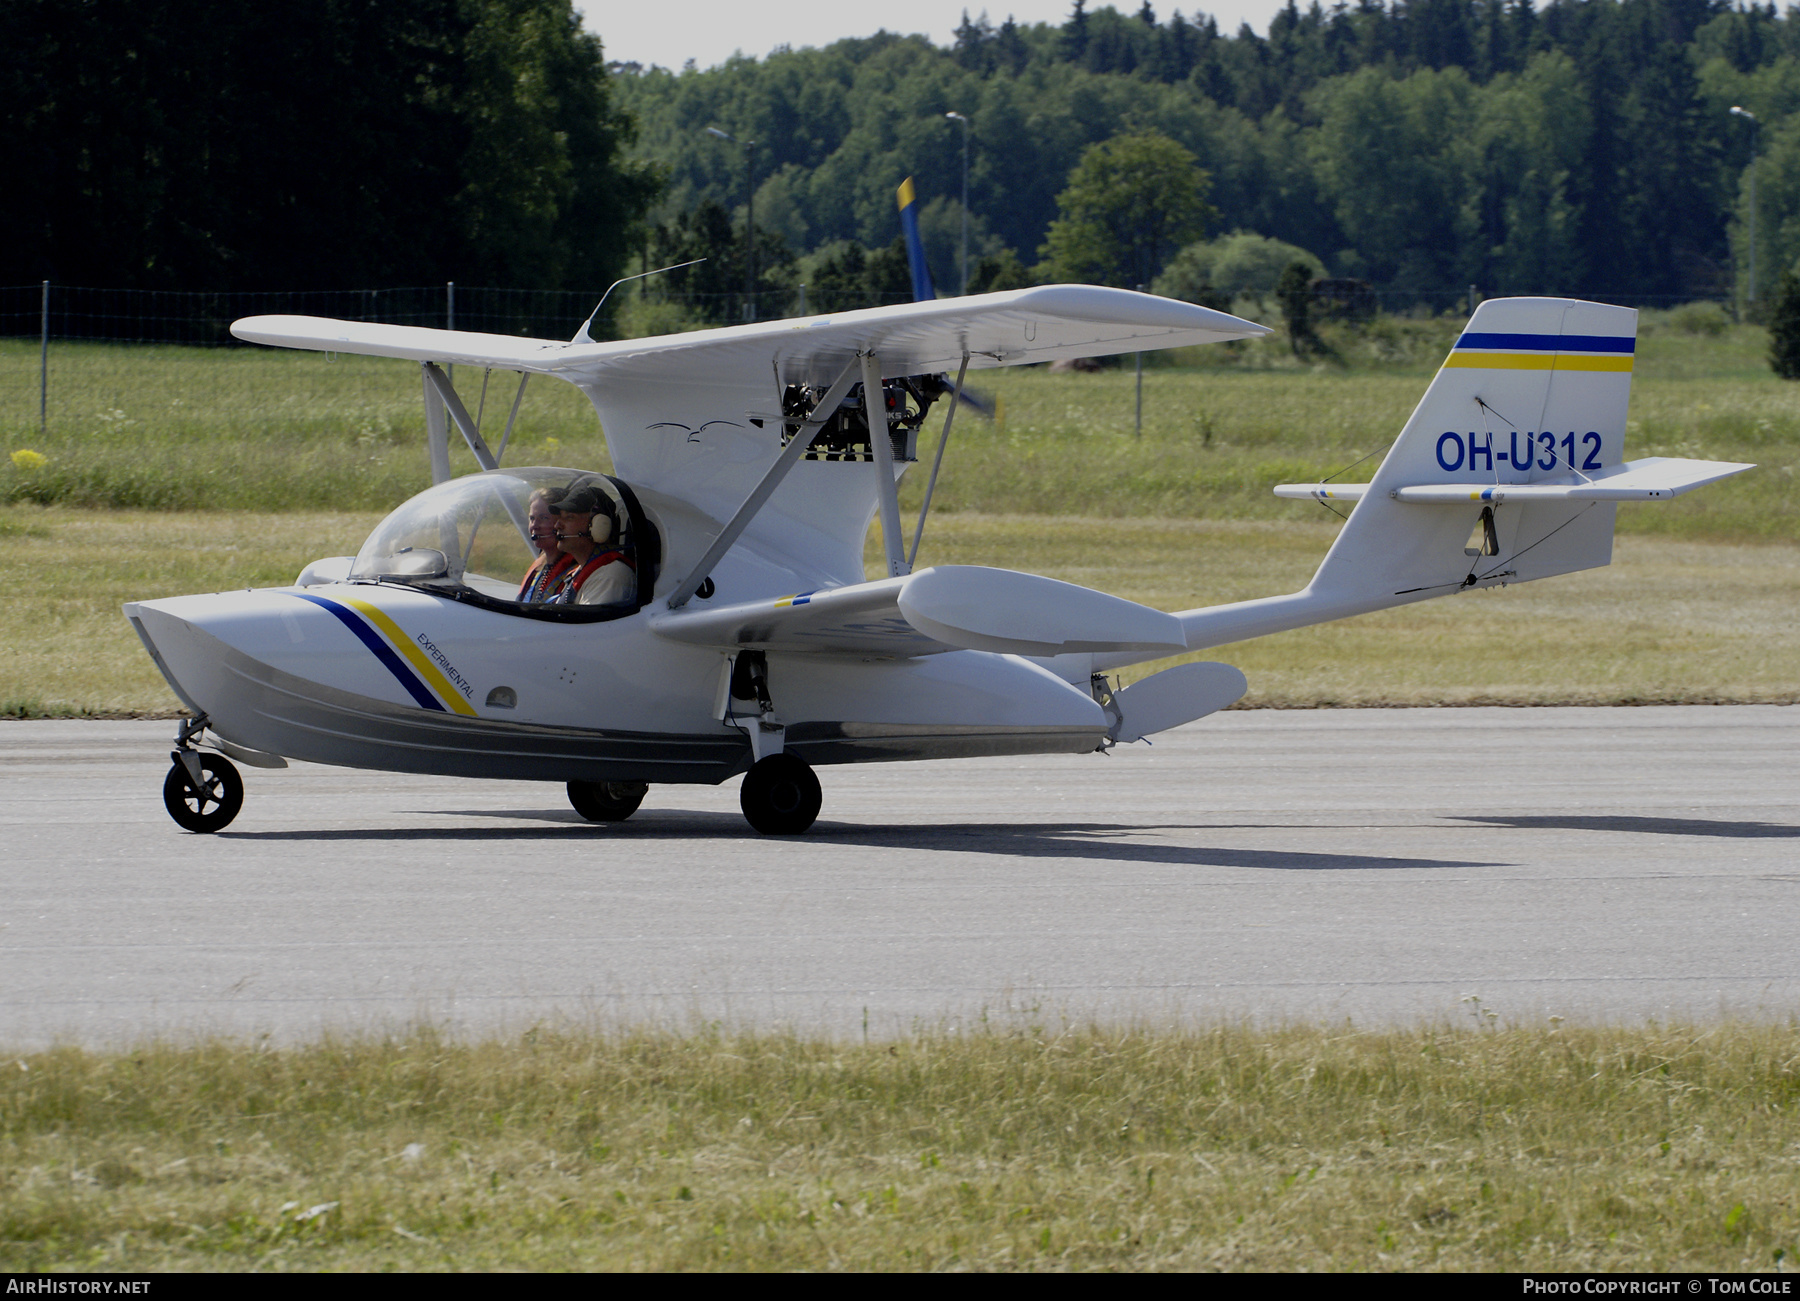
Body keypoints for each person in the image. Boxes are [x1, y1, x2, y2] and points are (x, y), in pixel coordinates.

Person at [550, 484, 635, 606]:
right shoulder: (579, 572)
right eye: (560, 517)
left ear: (598, 525)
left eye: (569, 517)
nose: (557, 525)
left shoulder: (609, 575)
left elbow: (586, 625)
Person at [517, 487, 575, 602]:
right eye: (532, 518)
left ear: (562, 523)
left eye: (543, 518)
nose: (534, 526)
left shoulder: (574, 573)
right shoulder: (540, 568)